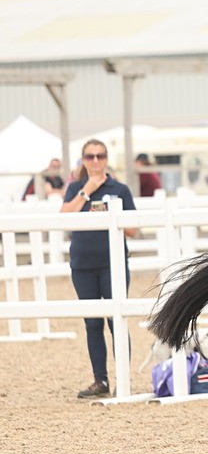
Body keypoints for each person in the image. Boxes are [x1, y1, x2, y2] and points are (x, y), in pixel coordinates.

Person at [59, 140, 137, 398]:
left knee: (117, 322)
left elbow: (133, 229)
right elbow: (63, 216)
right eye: (90, 156)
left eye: (100, 156)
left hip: (112, 264)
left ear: (105, 159)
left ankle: (123, 380)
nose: (95, 161)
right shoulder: (74, 187)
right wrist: (86, 191)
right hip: (82, 265)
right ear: (83, 160)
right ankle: (100, 380)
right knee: (92, 323)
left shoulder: (120, 188)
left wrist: (110, 216)